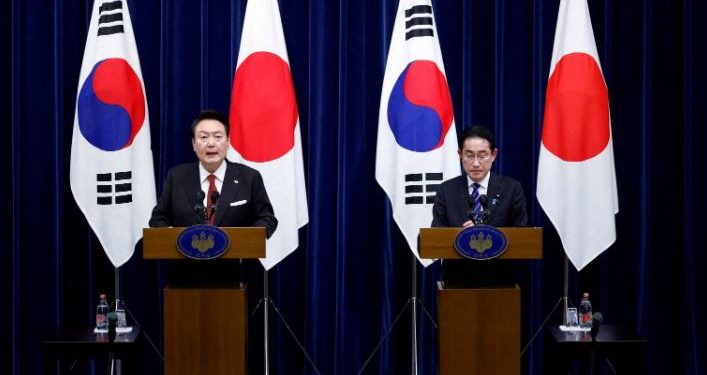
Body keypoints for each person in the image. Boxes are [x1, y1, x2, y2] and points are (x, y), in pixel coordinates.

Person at [149, 109, 277, 286]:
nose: (211, 144)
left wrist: (245, 237)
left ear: (228, 142)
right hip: (184, 279)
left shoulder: (249, 178)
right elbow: (158, 218)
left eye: (218, 137)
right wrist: (172, 234)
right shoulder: (176, 177)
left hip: (234, 277)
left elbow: (267, 219)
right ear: (193, 144)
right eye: (203, 137)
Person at [432, 125, 528, 285]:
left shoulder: (511, 189)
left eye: (482, 156)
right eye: (469, 156)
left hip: (500, 281)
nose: (475, 163)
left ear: (493, 154)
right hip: (457, 281)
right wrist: (462, 237)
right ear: (460, 155)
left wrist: (488, 234)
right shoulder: (446, 190)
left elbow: (522, 236)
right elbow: (436, 238)